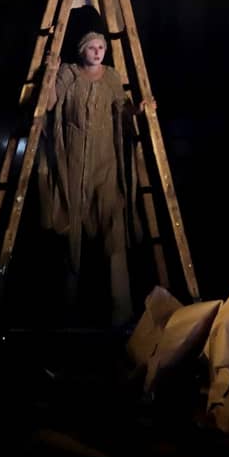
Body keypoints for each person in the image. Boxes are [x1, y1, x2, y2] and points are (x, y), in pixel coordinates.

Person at [42, 31, 151, 327]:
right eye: (91, 47)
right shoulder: (70, 74)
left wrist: (137, 110)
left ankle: (121, 310)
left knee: (113, 229)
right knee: (72, 235)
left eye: (101, 47)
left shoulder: (111, 77)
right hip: (73, 166)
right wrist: (51, 73)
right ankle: (67, 311)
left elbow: (122, 108)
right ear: (82, 51)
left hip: (106, 165)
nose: (97, 52)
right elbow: (49, 104)